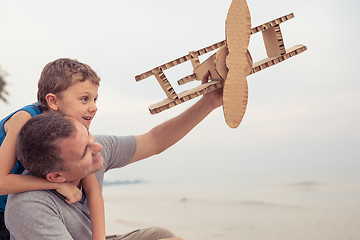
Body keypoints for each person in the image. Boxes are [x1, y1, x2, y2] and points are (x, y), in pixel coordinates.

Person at [5, 70, 223, 239]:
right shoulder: (29, 204)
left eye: (94, 99)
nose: (97, 148)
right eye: (83, 99)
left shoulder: (91, 143)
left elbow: (154, 141)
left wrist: (209, 101)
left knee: (160, 235)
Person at [0, 59, 106, 240]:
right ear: (53, 101)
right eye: (84, 99)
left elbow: (93, 191)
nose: (94, 107)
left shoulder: (75, 129)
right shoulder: (25, 119)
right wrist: (57, 184)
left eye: (95, 99)